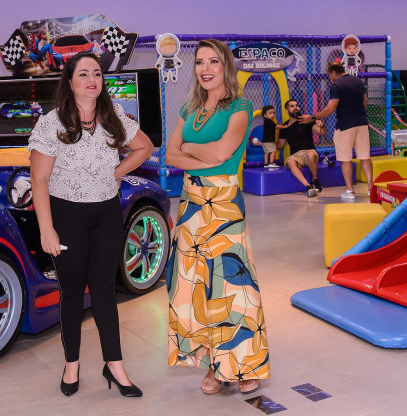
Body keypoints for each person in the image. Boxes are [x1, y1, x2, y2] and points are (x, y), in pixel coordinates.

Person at [28, 52, 154, 398]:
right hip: (66, 215)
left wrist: (116, 172)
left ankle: (115, 365)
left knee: (103, 290)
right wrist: (46, 229)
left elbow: (144, 147)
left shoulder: (114, 118)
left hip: (107, 214)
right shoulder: (52, 123)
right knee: (71, 293)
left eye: (97, 73)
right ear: (70, 82)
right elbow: (39, 180)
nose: (91, 80)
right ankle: (72, 364)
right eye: (83, 74)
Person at [165, 39, 270, 396]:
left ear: (226, 66)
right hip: (190, 205)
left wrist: (188, 148)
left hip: (224, 203)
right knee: (195, 285)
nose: (205, 69)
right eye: (199, 62)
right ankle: (214, 364)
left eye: (213, 61)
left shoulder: (241, 106)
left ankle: (243, 365)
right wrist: (201, 155)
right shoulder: (189, 108)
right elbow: (169, 156)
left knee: (232, 286)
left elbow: (223, 153)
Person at [300, 61, 372, 200]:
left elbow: (330, 108)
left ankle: (350, 191)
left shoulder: (336, 85)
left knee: (346, 159)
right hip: (362, 123)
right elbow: (365, 103)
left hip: (345, 125)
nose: (329, 77)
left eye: (329, 74)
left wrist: (313, 117)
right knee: (365, 157)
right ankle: (371, 188)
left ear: (334, 72)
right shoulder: (358, 81)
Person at [277, 99, 326, 197]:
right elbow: (280, 145)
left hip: (309, 151)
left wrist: (322, 126)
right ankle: (309, 187)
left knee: (311, 154)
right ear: (287, 111)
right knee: (290, 162)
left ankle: (314, 180)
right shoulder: (284, 126)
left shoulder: (306, 120)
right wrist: (265, 144)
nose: (295, 108)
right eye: (292, 106)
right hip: (296, 156)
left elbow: (322, 132)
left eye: (296, 105)